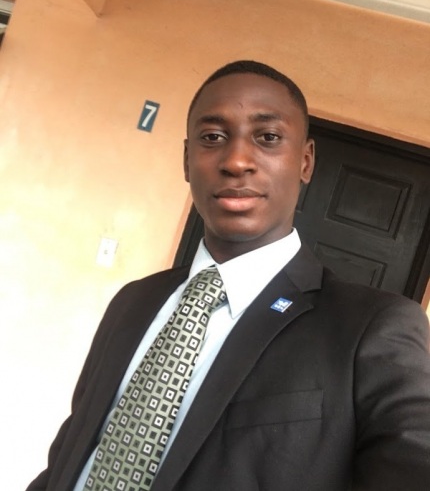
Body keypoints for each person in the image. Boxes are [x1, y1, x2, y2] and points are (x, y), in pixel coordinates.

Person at [27, 60, 430, 491]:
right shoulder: (133, 301)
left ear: (305, 161)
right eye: (213, 137)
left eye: (268, 137)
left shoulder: (372, 328)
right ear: (187, 161)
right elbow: (71, 453)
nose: (237, 161)